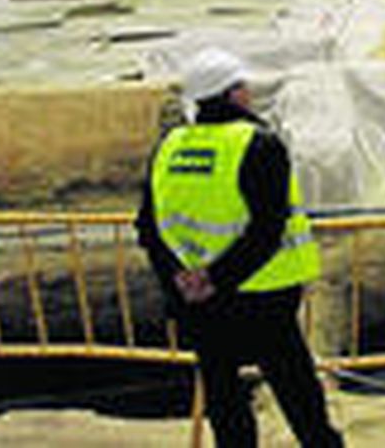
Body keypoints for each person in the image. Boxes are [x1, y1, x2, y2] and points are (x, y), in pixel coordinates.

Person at [136, 49, 342, 448]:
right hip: (263, 297)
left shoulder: (170, 146)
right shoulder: (259, 144)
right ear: (233, 94)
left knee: (224, 398)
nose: (249, 93)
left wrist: (183, 280)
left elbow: (148, 226)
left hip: (199, 303)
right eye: (243, 86)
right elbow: (266, 229)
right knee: (298, 393)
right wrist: (216, 279)